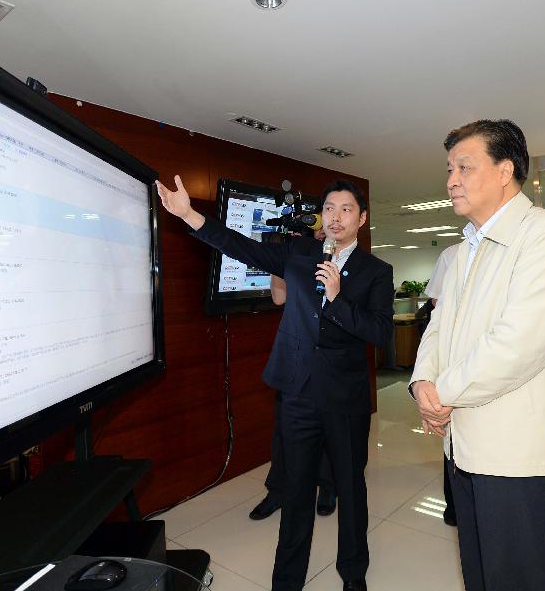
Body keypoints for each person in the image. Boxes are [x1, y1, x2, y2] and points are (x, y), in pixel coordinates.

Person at [156, 175, 393, 591]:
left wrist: (338, 298)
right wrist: (190, 215)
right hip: (298, 394)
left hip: (344, 399)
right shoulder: (299, 253)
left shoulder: (376, 272)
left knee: (351, 490)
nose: (336, 217)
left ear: (362, 218)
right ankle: (287, 581)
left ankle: (353, 575)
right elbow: (240, 246)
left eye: (347, 210)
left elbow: (379, 333)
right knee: (296, 490)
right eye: (330, 209)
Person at [410, 119, 545, 591]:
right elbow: (438, 327)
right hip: (464, 443)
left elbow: (520, 342)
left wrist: (441, 391)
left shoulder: (544, 234)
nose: (451, 180)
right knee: (480, 573)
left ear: (505, 170)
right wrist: (422, 382)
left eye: (464, 167)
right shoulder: (465, 249)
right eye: (450, 169)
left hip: (518, 454)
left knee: (515, 578)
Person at [249, 264, 338, 522]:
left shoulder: (342, 254)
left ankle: (328, 487)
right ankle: (278, 491)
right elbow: (279, 298)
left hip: (330, 358)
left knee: (329, 428)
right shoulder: (296, 254)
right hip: (296, 359)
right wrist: (282, 258)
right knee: (284, 434)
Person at [421, 243, 460, 527]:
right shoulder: (452, 254)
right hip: (452, 354)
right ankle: (454, 505)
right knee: (452, 437)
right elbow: (437, 305)